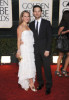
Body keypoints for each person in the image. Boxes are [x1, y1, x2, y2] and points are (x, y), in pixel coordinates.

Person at [29, 5, 52, 95]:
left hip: (45, 50)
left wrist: (47, 49)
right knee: (38, 68)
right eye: (35, 11)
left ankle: (49, 86)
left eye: (38, 11)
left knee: (47, 68)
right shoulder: (30, 24)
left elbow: (50, 37)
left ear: (41, 12)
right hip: (35, 50)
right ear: (33, 12)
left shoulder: (46, 23)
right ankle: (40, 83)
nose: (37, 13)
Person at [16, 10, 37, 92]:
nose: (27, 18)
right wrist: (18, 51)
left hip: (30, 49)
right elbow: (18, 40)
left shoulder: (29, 26)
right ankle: (31, 83)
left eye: (28, 16)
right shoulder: (20, 27)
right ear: (22, 17)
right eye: (25, 16)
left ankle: (29, 81)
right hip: (24, 50)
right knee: (25, 65)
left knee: (30, 65)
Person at [55, 10, 69, 77]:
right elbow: (59, 33)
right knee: (60, 56)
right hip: (63, 41)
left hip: (67, 41)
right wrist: (67, 31)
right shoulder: (63, 23)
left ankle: (64, 69)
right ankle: (57, 70)